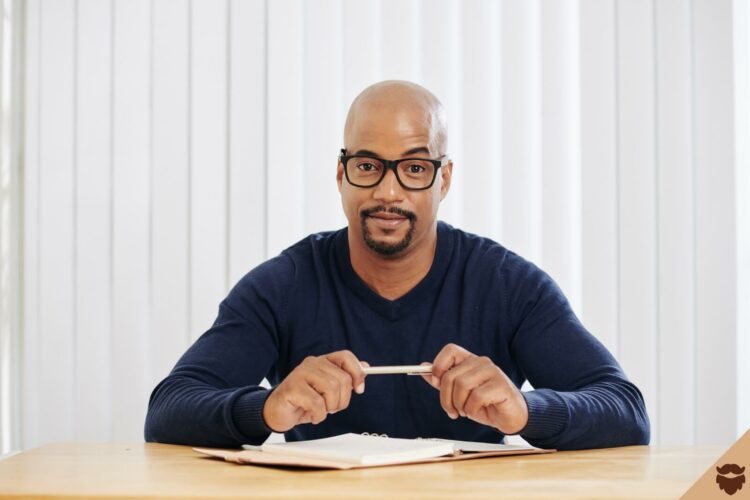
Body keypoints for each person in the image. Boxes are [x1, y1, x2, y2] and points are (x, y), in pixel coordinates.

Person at [144, 80, 650, 450]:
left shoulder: (508, 285)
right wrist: (264, 408)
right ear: (341, 174)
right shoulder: (283, 286)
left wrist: (528, 411)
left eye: (413, 169)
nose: (388, 192)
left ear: (443, 179)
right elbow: (168, 409)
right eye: (368, 166)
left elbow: (626, 411)